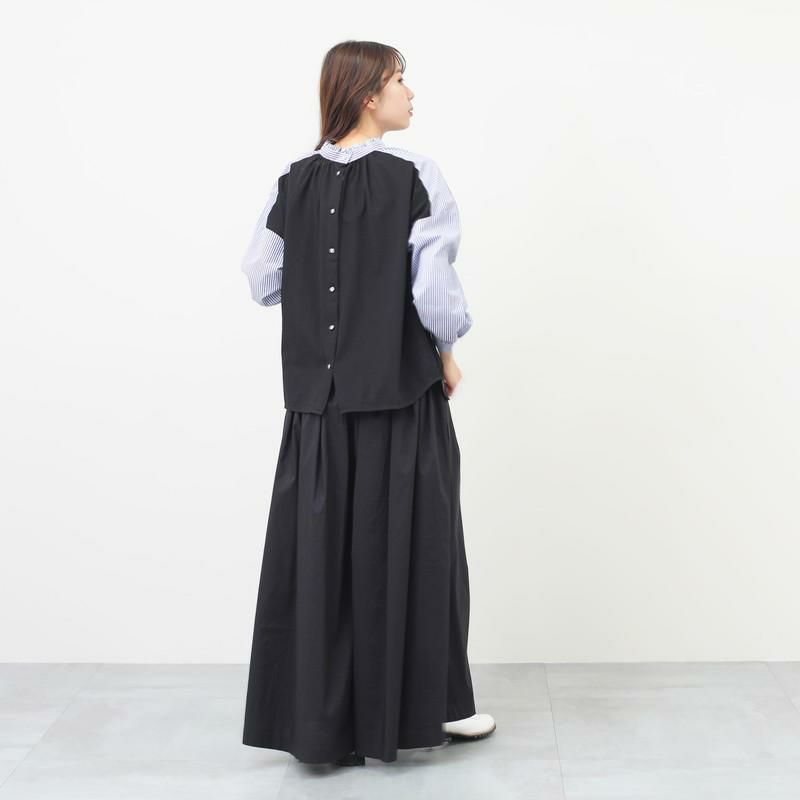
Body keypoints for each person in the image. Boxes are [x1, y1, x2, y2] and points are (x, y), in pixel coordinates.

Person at [239, 40, 495, 766]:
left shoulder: (292, 181)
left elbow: (262, 278)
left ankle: (322, 727)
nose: (411, 93)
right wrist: (447, 350)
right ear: (366, 96)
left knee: (320, 561)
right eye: (399, 81)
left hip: (316, 409)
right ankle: (427, 711)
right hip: (399, 399)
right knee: (416, 551)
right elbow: (433, 288)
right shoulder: (415, 174)